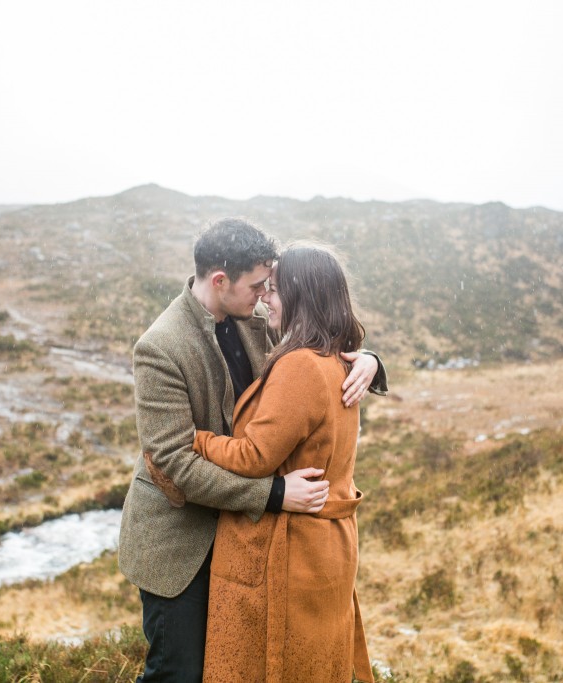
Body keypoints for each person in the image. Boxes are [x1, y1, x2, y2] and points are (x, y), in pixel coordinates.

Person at [118, 218, 386, 683]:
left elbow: (317, 345)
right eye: (258, 286)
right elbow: (175, 464)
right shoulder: (160, 348)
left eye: (270, 287)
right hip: (180, 539)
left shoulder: (257, 322)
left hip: (241, 538)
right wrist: (274, 495)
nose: (265, 296)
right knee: (177, 673)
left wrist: (369, 361)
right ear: (220, 282)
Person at [192, 242, 374, 683]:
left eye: (273, 291)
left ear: (299, 296)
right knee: (317, 665)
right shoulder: (338, 358)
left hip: (295, 549)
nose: (265, 300)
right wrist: (372, 359)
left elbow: (254, 456)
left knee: (276, 666)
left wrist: (197, 440)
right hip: (329, 546)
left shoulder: (300, 366)